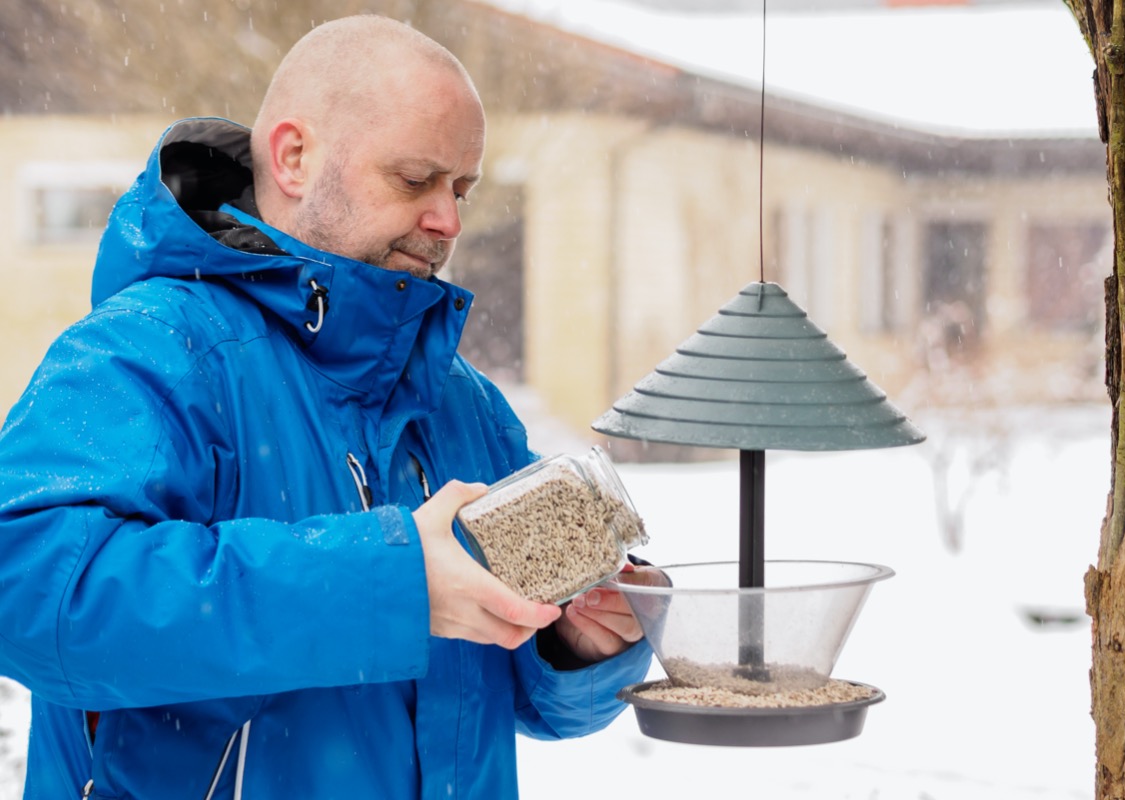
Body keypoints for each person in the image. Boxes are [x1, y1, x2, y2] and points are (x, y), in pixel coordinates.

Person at [0, 15, 653, 799]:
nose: (447, 218)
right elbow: (33, 591)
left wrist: (574, 647)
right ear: (294, 157)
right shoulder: (150, 350)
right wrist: (390, 581)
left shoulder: (462, 402)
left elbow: (499, 692)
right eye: (416, 179)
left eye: (461, 188)